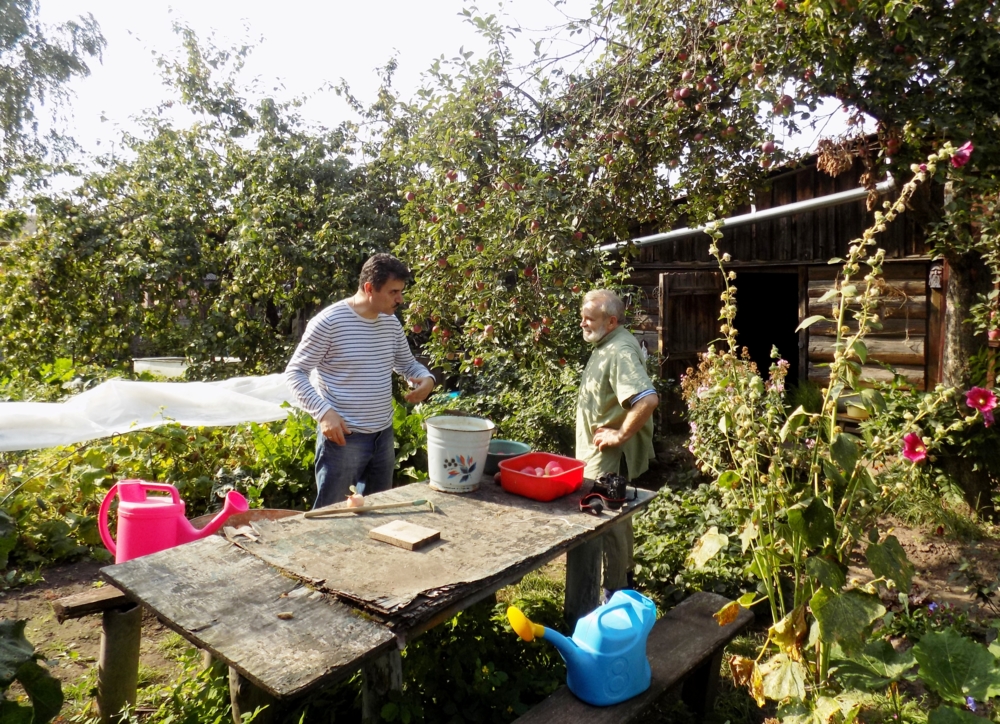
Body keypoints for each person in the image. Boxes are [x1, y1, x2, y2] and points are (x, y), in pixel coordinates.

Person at [284, 254, 435, 509]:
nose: (400, 299)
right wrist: (323, 413)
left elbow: (407, 364)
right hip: (344, 439)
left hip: (383, 436)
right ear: (369, 288)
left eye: (401, 291)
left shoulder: (390, 323)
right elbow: (295, 372)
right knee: (330, 515)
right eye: (393, 291)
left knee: (375, 511)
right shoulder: (329, 322)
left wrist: (427, 379)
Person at [575, 289, 659, 593]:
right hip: (598, 457)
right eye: (582, 317)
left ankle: (610, 601)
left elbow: (647, 399)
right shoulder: (605, 343)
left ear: (611, 321)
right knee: (616, 526)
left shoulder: (620, 351)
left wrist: (621, 434)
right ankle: (619, 591)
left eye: (589, 319)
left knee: (608, 528)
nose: (583, 324)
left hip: (609, 461)